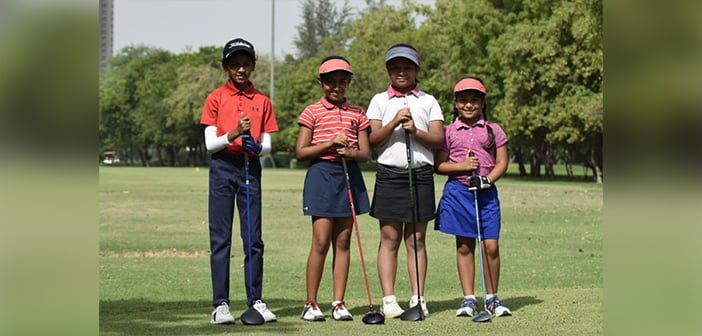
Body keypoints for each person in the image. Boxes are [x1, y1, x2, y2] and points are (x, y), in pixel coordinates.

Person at [200, 38, 279, 324]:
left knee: (253, 239)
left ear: (253, 66)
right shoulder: (215, 98)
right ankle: (220, 304)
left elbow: (268, 142)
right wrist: (233, 133)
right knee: (221, 239)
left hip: (249, 167)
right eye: (235, 65)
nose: (241, 69)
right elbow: (210, 145)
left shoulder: (262, 101)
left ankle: (255, 300)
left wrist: (257, 146)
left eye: (246, 64)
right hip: (223, 168)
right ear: (226, 67)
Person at [366, 43, 444, 318]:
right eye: (396, 68)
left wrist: (416, 130)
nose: (401, 72)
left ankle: (418, 297)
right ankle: (388, 299)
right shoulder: (379, 101)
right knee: (389, 237)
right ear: (388, 70)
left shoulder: (428, 100)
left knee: (416, 238)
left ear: (416, 70)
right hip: (389, 174)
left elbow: (438, 139)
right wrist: (394, 123)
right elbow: (371, 140)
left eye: (407, 68)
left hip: (420, 174)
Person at [295, 56, 371, 322]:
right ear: (321, 83)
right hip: (322, 175)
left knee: (343, 241)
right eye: (330, 81)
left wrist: (350, 151)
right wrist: (328, 144)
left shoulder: (358, 113)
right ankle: (311, 303)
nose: (336, 86)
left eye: (342, 81)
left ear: (349, 82)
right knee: (320, 241)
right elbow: (301, 151)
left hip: (348, 174)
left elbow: (365, 153)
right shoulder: (312, 112)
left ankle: (338, 302)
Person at [434, 77, 512, 318]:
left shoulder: (493, 129)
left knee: (491, 245)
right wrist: (462, 166)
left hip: (486, 193)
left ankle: (492, 298)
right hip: (459, 193)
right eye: (463, 100)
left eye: (474, 100)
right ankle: (469, 299)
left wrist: (488, 179)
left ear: (482, 102)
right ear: (456, 103)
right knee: (465, 245)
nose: (469, 104)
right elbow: (440, 165)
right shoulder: (448, 131)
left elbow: (502, 162)